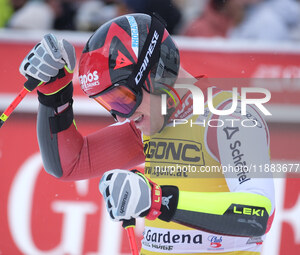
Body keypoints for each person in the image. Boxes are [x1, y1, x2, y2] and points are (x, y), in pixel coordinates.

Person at [19, 13, 275, 254]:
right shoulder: (150, 123)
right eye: (108, 105)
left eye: (121, 99)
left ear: (157, 74)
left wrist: (159, 201)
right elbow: (69, 164)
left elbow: (259, 214)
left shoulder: (231, 116)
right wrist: (55, 95)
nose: (121, 116)